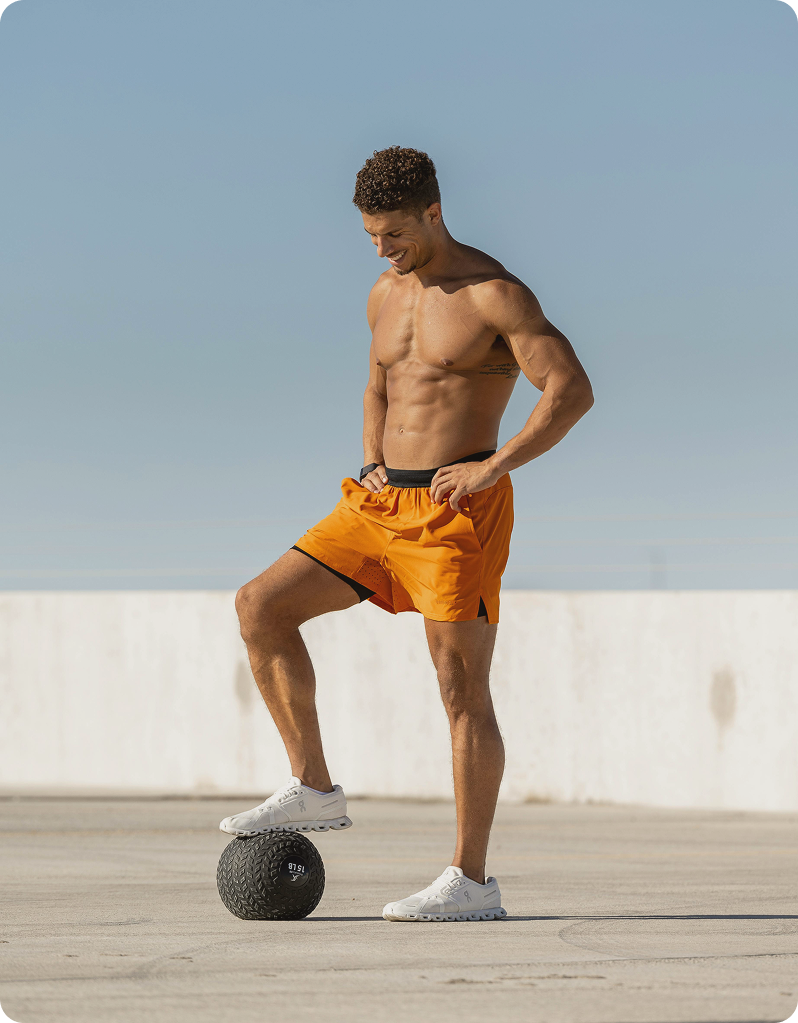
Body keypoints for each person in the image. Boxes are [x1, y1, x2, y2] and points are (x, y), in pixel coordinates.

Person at [221, 146, 593, 922]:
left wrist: (494, 467)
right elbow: (377, 385)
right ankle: (315, 785)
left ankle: (470, 880)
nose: (382, 249)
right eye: (370, 236)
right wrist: (369, 459)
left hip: (459, 514)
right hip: (379, 504)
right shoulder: (384, 294)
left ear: (433, 211)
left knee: (461, 691)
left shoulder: (494, 294)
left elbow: (570, 390)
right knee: (260, 605)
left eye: (394, 233)